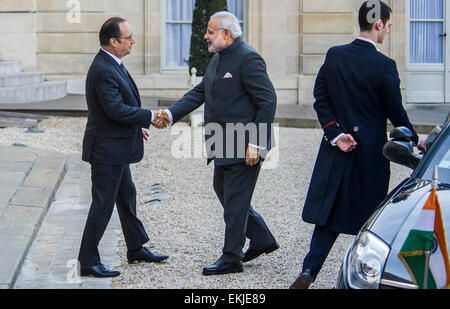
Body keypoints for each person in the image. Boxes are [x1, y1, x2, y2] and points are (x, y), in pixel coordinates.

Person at [290, 1, 425, 289]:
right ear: (378, 24)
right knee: (374, 220)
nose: (387, 32)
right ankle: (373, 277)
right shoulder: (385, 65)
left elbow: (320, 99)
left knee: (329, 217)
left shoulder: (334, 55)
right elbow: (396, 113)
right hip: (370, 155)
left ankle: (309, 270)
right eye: (388, 26)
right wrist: (416, 140)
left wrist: (336, 134)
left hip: (337, 150)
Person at [154, 11, 279, 276]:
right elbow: (199, 92)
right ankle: (262, 238)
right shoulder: (217, 59)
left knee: (234, 201)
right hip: (222, 142)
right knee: (223, 190)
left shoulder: (249, 58)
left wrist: (255, 143)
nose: (205, 36)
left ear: (226, 33)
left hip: (244, 144)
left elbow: (267, 101)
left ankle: (232, 258)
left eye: (210, 31)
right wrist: (171, 114)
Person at [78, 17, 168, 278]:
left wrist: (134, 126)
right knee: (103, 204)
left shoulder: (112, 64)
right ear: (113, 41)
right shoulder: (104, 69)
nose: (133, 41)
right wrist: (149, 116)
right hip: (107, 150)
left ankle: (136, 247)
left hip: (115, 146)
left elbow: (114, 108)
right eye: (128, 37)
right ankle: (87, 260)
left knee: (126, 196)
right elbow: (115, 109)